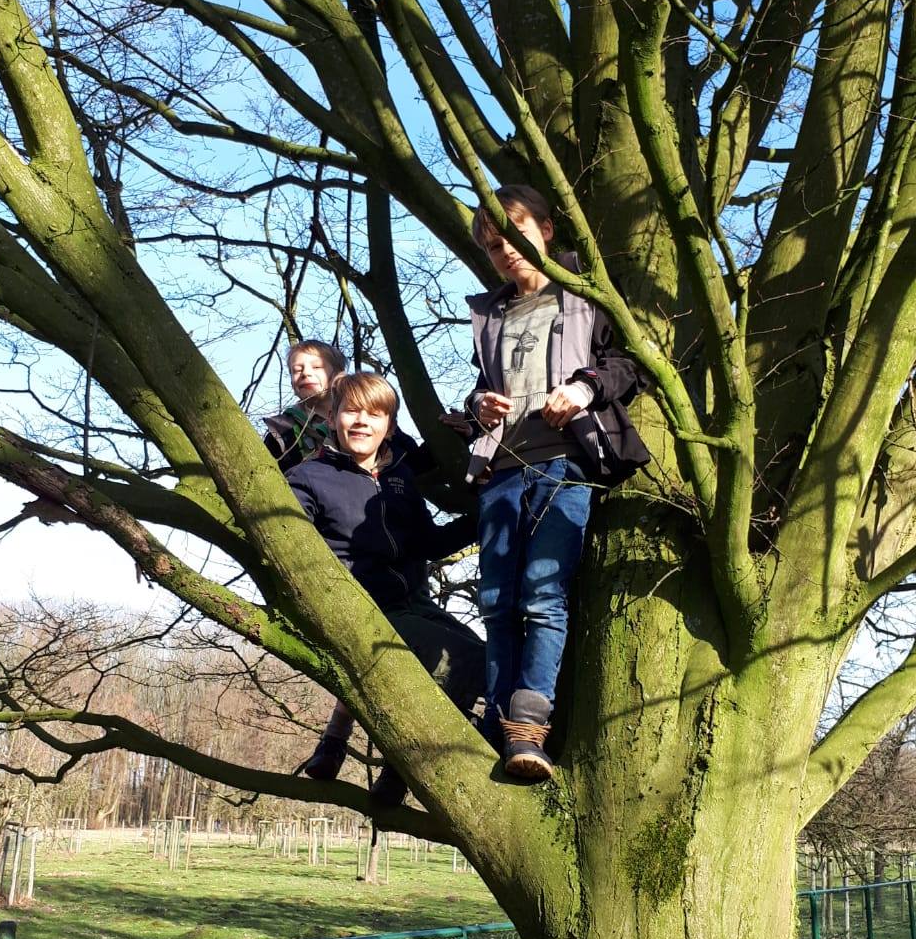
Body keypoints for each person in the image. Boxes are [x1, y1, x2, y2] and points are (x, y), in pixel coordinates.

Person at [462, 184, 650, 783]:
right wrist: (478, 406)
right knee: (496, 604)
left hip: (566, 464)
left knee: (543, 595)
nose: (506, 253)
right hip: (500, 470)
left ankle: (528, 725)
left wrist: (584, 388)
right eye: (493, 247)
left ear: (544, 229)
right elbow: (478, 390)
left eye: (514, 237)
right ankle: (496, 724)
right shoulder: (489, 313)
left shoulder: (585, 293)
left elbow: (633, 363)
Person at [287, 371, 483, 806]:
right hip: (365, 609)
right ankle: (404, 763)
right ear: (334, 417)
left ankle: (399, 769)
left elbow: (427, 542)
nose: (362, 423)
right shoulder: (308, 478)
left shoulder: (398, 479)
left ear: (389, 426)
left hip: (413, 603)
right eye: (351, 411)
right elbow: (294, 553)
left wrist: (487, 519)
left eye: (374, 415)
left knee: (487, 661)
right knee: (460, 658)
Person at [262, 340, 346, 473]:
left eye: (317, 367)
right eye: (296, 370)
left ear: (338, 376)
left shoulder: (365, 421)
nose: (305, 373)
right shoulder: (282, 433)